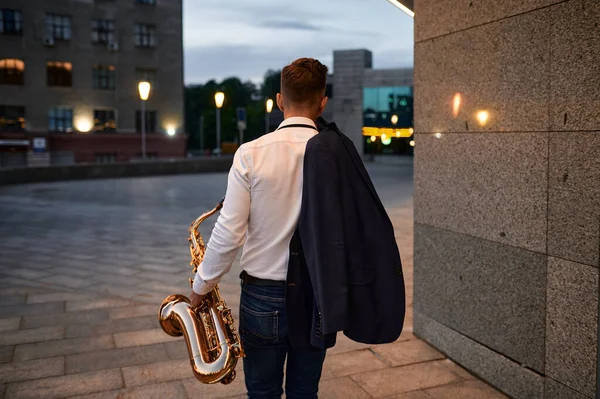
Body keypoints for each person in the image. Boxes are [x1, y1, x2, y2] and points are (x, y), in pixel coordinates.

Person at [189, 57, 329, 399]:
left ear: (280, 101)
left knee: (262, 392)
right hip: (318, 294)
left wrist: (201, 286)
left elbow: (228, 232)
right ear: (323, 101)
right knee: (304, 390)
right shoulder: (339, 154)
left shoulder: (251, 154)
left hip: (263, 297)